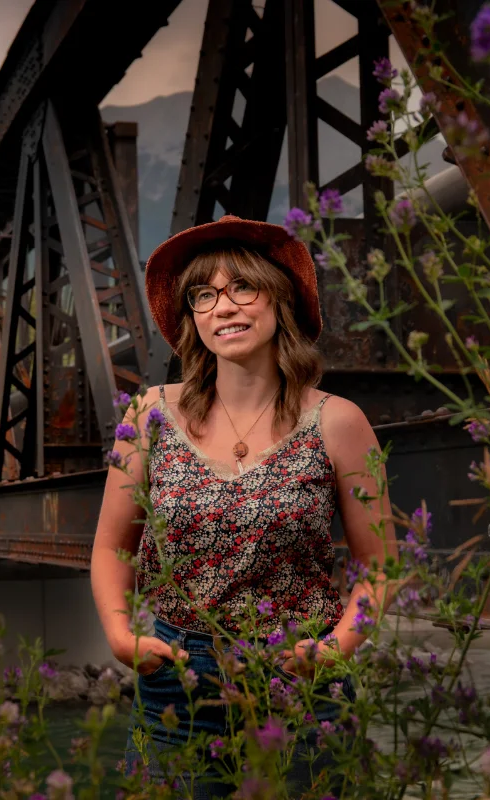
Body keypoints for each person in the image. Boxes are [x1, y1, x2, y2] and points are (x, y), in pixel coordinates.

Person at [89, 214, 397, 797]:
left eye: (242, 288)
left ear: (279, 301)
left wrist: (335, 651)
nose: (222, 306)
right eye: (204, 295)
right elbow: (111, 546)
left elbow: (379, 568)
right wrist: (119, 634)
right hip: (178, 672)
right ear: (192, 319)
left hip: (300, 675)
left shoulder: (337, 421)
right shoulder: (148, 415)